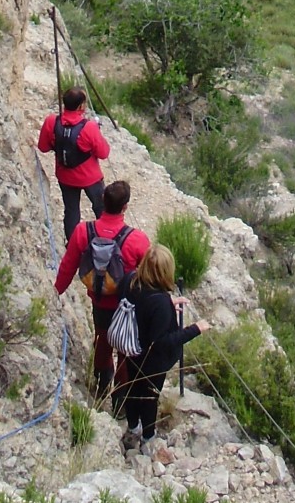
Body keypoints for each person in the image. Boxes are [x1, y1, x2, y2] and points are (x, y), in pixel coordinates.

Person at [54, 180, 150, 408]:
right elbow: (149, 277)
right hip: (126, 307)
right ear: (125, 207)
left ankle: (100, 387)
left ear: (102, 202)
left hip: (100, 302)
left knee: (102, 343)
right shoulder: (137, 240)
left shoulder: (82, 231)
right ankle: (120, 403)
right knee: (126, 351)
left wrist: (56, 292)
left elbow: (68, 266)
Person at [119, 244, 210, 454]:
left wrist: (169, 304)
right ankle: (148, 438)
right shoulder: (159, 302)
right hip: (151, 361)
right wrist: (195, 329)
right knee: (150, 396)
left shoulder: (130, 280)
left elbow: (141, 306)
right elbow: (162, 341)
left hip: (130, 349)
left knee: (132, 389)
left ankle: (133, 428)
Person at [38, 87, 111, 240]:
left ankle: (72, 245)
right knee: (101, 208)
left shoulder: (52, 121)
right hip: (89, 177)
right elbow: (104, 153)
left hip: (65, 176)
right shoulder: (89, 127)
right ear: (81, 106)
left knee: (71, 211)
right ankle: (106, 240)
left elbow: (43, 147)